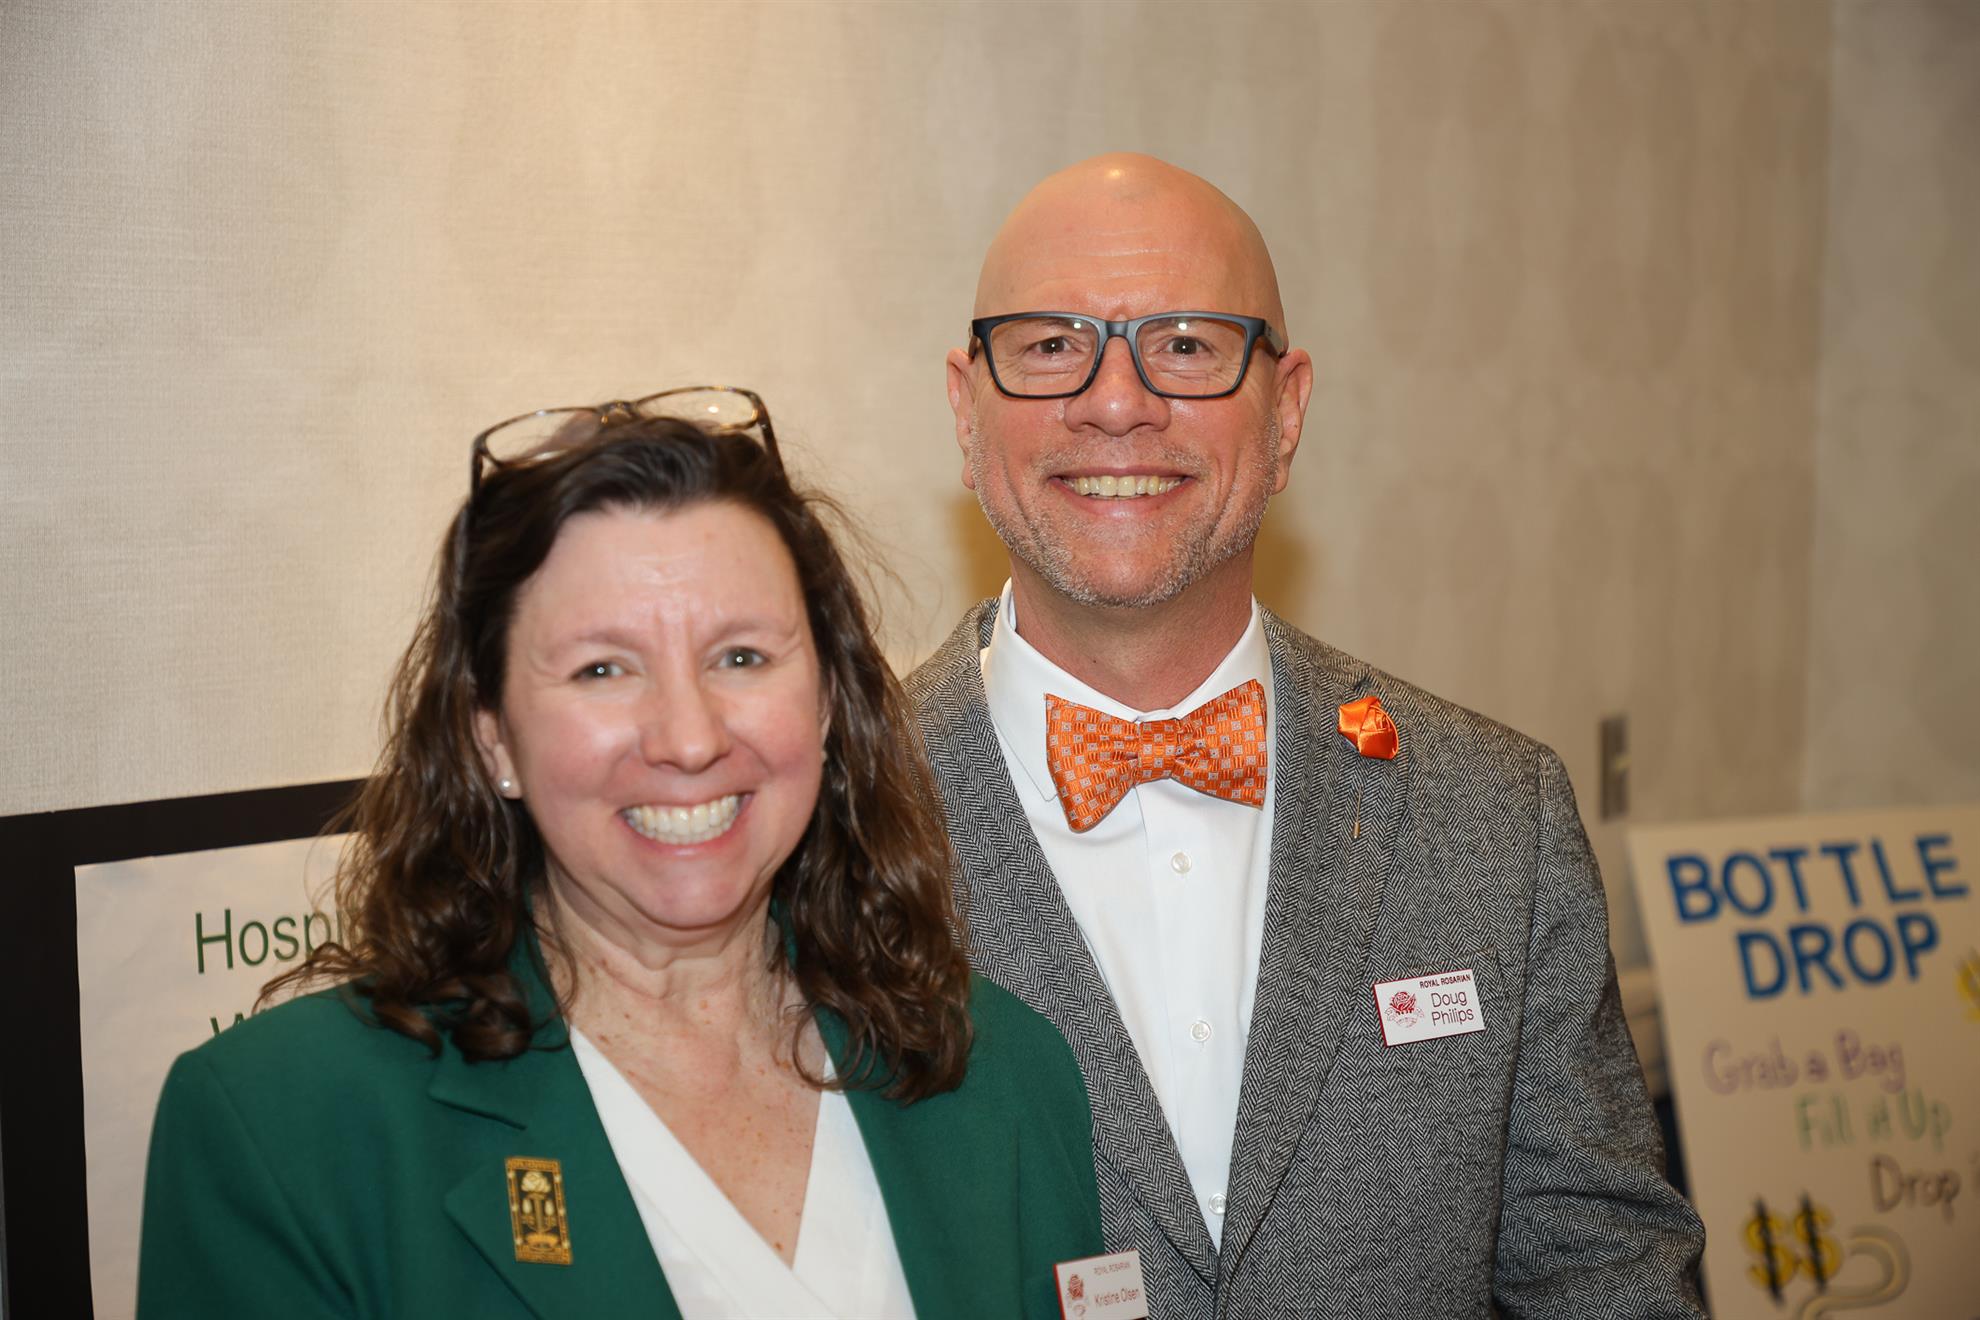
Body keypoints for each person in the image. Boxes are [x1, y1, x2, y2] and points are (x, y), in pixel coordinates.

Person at [906, 154, 1708, 1317]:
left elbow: (1604, 1272)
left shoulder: (1500, 816)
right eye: (1049, 345)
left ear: (1286, 412)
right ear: (965, 407)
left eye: (1187, 344)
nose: (1116, 403)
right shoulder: (820, 822)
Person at [137, 390, 1103, 1319]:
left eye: (741, 657)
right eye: (603, 669)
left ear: (825, 701)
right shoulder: (285, 1129)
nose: (689, 738)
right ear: (490, 735)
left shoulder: (1004, 1071)